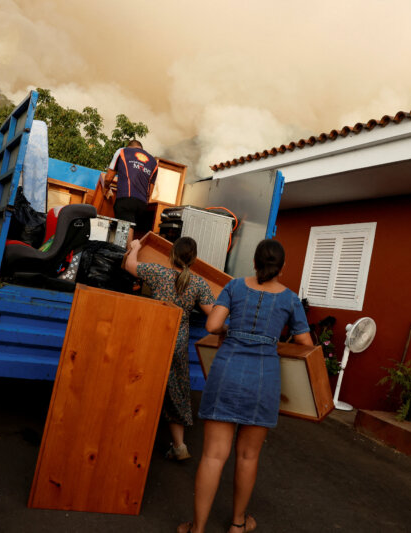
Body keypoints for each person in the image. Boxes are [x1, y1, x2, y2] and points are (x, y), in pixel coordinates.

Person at [178, 239, 313, 533]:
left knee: (213, 455)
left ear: (254, 262)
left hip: (227, 372)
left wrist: (230, 329)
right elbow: (306, 344)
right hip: (264, 379)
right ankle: (238, 525)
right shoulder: (290, 299)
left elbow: (213, 326)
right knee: (248, 456)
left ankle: (197, 529)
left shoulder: (235, 287)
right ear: (282, 267)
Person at [124, 236, 214, 461]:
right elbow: (213, 314)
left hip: (153, 339)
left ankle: (128, 437)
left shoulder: (158, 272)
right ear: (193, 259)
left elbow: (129, 265)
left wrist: (135, 247)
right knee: (176, 393)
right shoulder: (198, 283)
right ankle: (179, 446)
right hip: (178, 342)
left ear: (171, 254)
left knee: (140, 386)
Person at [103, 139, 158, 244]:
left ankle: (127, 256)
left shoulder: (122, 151)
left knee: (126, 230)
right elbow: (149, 191)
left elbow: (108, 178)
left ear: (129, 146)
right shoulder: (153, 161)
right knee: (129, 227)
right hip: (142, 204)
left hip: (126, 199)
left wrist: (105, 188)